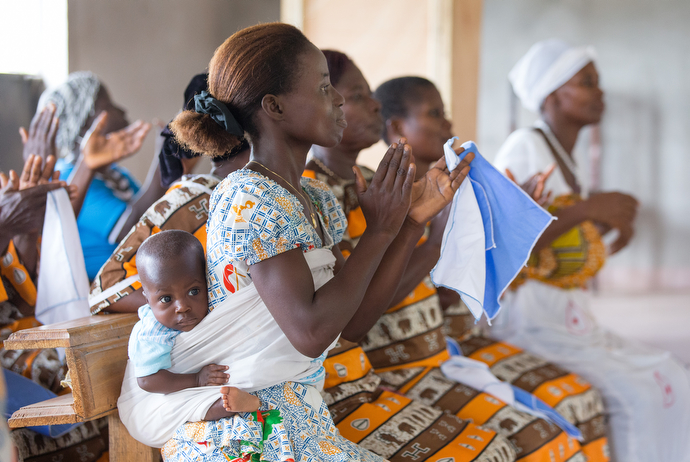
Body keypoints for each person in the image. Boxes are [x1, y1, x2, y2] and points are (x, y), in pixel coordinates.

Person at [117, 23, 474, 462]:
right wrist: (380, 229)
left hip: (294, 420)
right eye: (325, 88)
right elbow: (309, 333)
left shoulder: (314, 200)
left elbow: (351, 323)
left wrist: (409, 223)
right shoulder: (251, 197)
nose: (339, 99)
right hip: (237, 434)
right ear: (275, 107)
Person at [308, 58, 590, 462]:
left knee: (574, 408)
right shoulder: (318, 194)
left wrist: (491, 222)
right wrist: (438, 238)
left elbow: (434, 296)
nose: (374, 106)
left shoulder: (378, 180)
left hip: (440, 350)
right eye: (355, 96)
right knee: (537, 440)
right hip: (392, 367)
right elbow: (364, 310)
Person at [491, 39, 690, 462]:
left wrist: (601, 226)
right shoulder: (524, 146)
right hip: (527, 320)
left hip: (569, 315)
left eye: (597, 82)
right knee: (638, 396)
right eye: (586, 83)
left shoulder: (565, 158)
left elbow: (559, 242)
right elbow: (503, 242)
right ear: (551, 96)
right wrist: (588, 209)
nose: (600, 92)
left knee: (673, 375)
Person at [89, 73, 250, 315]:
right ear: (271, 111)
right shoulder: (195, 201)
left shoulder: (290, 190)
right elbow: (106, 290)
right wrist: (193, 300)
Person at [35, 71, 164, 280]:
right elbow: (132, 230)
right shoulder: (66, 178)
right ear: (87, 124)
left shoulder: (114, 174)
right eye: (109, 106)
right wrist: (164, 162)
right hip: (105, 287)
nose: (122, 110)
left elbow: (155, 212)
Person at [130, 230, 260, 419]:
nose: (182, 307)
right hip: (170, 389)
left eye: (193, 291)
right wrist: (197, 379)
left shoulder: (216, 305)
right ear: (147, 300)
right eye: (166, 298)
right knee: (193, 408)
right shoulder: (152, 333)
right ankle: (245, 404)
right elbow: (147, 381)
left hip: (202, 380)